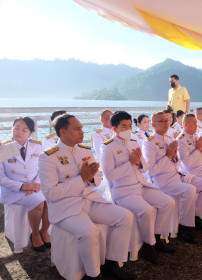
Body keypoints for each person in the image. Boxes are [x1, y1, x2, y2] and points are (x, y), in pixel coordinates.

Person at [38, 114, 136, 280]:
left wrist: (90, 177)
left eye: (82, 128)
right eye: (77, 129)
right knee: (89, 231)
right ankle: (93, 275)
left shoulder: (84, 150)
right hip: (66, 208)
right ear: (63, 131)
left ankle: (111, 264)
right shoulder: (48, 157)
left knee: (125, 216)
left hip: (89, 200)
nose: (82, 132)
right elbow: (50, 193)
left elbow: (97, 180)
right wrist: (81, 178)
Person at [100, 111, 175, 263]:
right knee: (146, 210)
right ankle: (148, 246)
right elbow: (110, 175)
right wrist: (130, 163)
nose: (128, 129)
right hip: (124, 191)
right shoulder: (107, 147)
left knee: (168, 202)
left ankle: (156, 236)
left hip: (140, 185)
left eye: (129, 125)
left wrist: (138, 162)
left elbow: (145, 167)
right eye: (123, 126)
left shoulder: (134, 142)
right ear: (115, 129)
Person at [142, 112, 202, 243]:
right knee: (189, 190)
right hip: (162, 180)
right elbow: (151, 171)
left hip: (176, 175)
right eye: (161, 121)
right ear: (153, 124)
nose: (165, 123)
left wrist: (174, 158)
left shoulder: (169, 139)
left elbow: (178, 163)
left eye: (166, 120)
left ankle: (197, 216)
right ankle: (185, 227)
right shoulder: (149, 143)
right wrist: (168, 156)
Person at [0, 117, 50, 252]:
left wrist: (36, 184)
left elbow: (43, 168)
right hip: (13, 190)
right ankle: (34, 233)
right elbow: (1, 178)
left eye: (24, 129)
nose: (19, 132)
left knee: (52, 198)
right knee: (39, 202)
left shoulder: (38, 146)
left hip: (35, 185)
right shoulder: (3, 148)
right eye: (16, 128)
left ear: (31, 133)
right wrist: (23, 186)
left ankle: (43, 231)